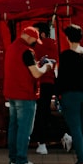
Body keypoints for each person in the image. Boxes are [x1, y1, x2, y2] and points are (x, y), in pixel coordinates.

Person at [4, 25, 54, 164]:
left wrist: (38, 63)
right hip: (25, 95)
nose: (34, 43)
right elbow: (36, 74)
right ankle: (21, 161)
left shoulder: (12, 47)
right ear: (29, 36)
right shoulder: (27, 51)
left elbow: (23, 68)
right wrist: (47, 67)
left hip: (12, 94)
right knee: (24, 130)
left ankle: (13, 160)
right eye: (34, 40)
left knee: (14, 128)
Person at [55, 24, 83, 164]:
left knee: (76, 128)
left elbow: (61, 78)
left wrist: (57, 94)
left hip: (70, 95)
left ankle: (81, 161)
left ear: (67, 37)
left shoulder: (66, 55)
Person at [30, 22, 59, 155]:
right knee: (45, 111)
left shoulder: (37, 46)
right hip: (50, 82)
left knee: (40, 113)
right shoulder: (54, 44)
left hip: (40, 82)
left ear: (41, 33)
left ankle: (42, 143)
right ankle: (62, 135)